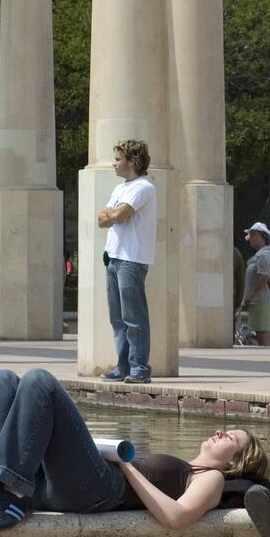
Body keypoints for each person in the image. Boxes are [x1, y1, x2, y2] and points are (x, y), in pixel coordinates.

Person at [0, 368, 270, 534]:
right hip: (67, 484)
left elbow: (176, 518)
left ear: (237, 461)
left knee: (40, 381)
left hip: (98, 490)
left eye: (231, 437)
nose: (220, 432)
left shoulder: (211, 478)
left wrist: (127, 466)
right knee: (1, 381)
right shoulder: (189, 467)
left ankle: (12, 495)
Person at [98, 139, 157, 385]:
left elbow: (119, 216)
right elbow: (102, 219)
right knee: (117, 318)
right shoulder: (120, 188)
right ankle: (123, 367)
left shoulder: (143, 187)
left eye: (118, 159)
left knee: (134, 318)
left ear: (133, 161)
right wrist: (113, 214)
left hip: (131, 259)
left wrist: (113, 213)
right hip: (113, 257)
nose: (114, 163)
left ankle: (139, 368)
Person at [239, 222, 270, 346]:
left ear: (263, 237)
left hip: (261, 300)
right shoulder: (260, 254)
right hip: (256, 301)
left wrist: (250, 295)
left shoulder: (264, 255)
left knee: (263, 332)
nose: (251, 238)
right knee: (260, 331)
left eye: (254, 234)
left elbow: (264, 277)